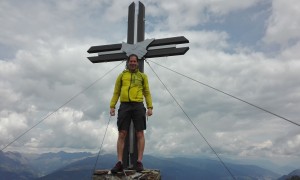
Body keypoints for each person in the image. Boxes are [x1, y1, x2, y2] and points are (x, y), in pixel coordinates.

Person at [110, 54, 153, 173]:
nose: (133, 63)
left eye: (135, 61)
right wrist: (112, 106)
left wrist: (150, 107)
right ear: (128, 62)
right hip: (124, 105)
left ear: (137, 63)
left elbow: (147, 92)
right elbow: (116, 92)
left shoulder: (142, 76)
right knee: (122, 133)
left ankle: (139, 162)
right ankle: (119, 162)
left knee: (140, 133)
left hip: (138, 105)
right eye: (131, 61)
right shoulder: (122, 76)